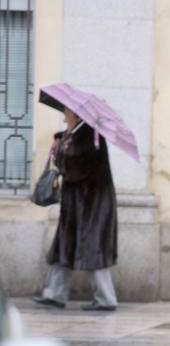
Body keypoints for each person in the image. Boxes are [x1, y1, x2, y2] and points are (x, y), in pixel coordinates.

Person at [32, 107, 118, 312]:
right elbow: (70, 155)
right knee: (65, 247)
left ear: (76, 115)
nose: (63, 114)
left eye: (66, 111)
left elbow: (75, 169)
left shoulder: (90, 136)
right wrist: (60, 142)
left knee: (93, 250)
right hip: (76, 205)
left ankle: (106, 299)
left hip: (92, 206)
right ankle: (54, 294)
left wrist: (60, 152)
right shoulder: (76, 133)